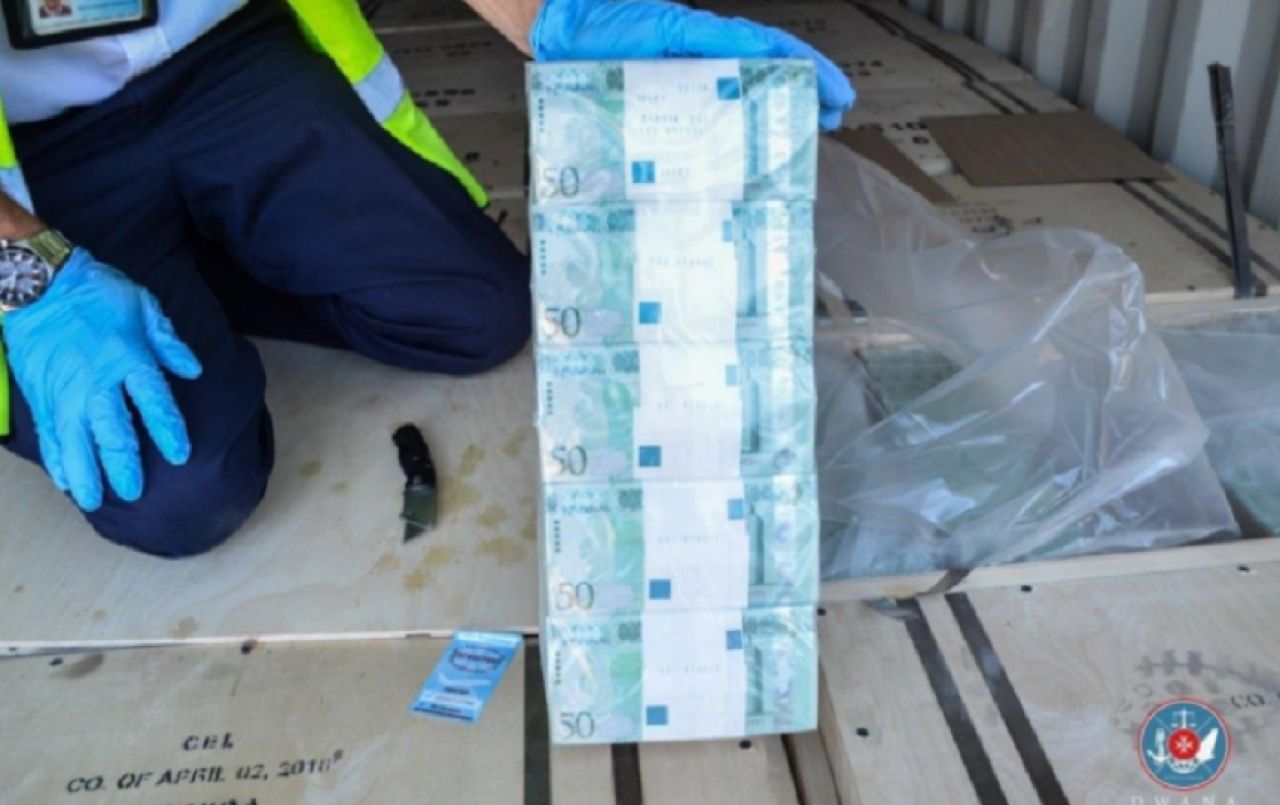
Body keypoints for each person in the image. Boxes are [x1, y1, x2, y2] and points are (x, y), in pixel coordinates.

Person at [0, 0, 854, 558]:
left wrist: (552, 15)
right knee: (183, 497)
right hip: (30, 151)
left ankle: (186, 265)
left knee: (474, 316)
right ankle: (138, 280)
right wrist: (27, 272)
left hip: (225, 57)